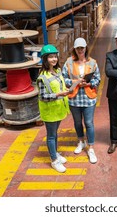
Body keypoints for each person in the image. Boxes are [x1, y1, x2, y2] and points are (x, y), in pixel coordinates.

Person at [62, 37, 101, 164]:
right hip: (74, 97)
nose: (80, 50)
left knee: (89, 123)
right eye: (78, 48)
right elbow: (64, 79)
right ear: (75, 49)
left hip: (88, 97)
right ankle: (81, 142)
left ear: (85, 48)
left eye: (82, 48)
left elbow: (97, 79)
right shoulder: (68, 63)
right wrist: (76, 82)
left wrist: (88, 84)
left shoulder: (92, 62)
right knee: (78, 122)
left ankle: (91, 148)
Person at [37, 44, 71, 173]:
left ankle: (55, 153)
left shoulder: (57, 71)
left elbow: (60, 86)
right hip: (49, 111)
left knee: (55, 134)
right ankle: (54, 160)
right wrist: (59, 94)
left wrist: (66, 90)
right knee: (51, 136)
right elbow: (43, 96)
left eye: (55, 56)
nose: (54, 59)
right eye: (51, 57)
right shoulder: (42, 77)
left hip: (58, 109)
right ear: (45, 59)